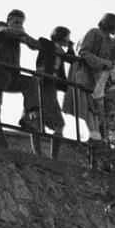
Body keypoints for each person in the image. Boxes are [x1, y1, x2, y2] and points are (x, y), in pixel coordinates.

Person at [0, 9, 43, 150]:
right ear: (9, 20)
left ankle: (27, 117)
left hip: (11, 76)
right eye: (16, 22)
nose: (18, 25)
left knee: (32, 82)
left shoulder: (19, 34)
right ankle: (1, 148)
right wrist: (20, 33)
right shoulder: (1, 26)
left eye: (20, 23)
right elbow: (4, 31)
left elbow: (35, 46)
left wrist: (30, 39)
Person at [70, 13, 115, 143]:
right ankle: (93, 134)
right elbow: (83, 51)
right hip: (86, 74)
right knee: (88, 104)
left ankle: (97, 136)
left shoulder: (109, 41)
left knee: (97, 107)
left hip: (98, 78)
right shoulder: (94, 33)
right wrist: (102, 62)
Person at [33, 27, 74, 158]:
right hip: (45, 82)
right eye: (68, 37)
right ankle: (42, 155)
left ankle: (47, 156)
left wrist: (70, 47)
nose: (69, 39)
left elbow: (71, 59)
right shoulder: (48, 44)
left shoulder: (61, 51)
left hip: (52, 84)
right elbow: (42, 42)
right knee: (47, 121)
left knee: (38, 119)